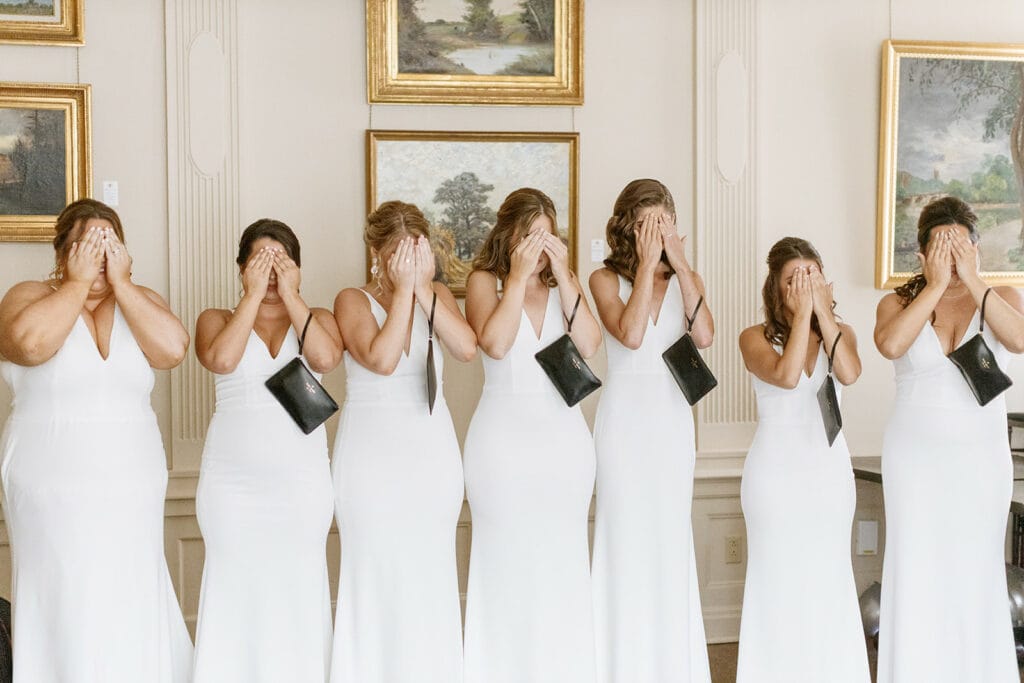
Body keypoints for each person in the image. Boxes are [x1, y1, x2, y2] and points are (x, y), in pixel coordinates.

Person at [0, 198, 193, 682]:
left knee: (128, 588)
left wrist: (123, 285)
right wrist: (78, 282)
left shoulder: (138, 297)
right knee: (64, 592)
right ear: (63, 250)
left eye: (111, 244)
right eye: (89, 244)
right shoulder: (27, 293)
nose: (101, 255)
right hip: (50, 481)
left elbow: (172, 350)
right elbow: (28, 344)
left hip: (133, 479)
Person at [873, 196, 1024, 682]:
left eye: (962, 248)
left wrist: (974, 280)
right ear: (921, 254)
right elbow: (891, 345)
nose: (954, 260)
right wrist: (935, 285)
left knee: (975, 571)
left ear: (977, 248)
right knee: (918, 570)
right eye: (942, 250)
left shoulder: (1002, 296)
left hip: (981, 462)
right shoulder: (896, 302)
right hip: (914, 462)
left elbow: (1019, 341)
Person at [330, 200, 476, 683]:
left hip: (432, 455)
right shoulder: (352, 300)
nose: (407, 263)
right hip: (372, 461)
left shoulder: (436, 295)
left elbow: (467, 348)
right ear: (376, 252)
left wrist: (423, 290)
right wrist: (402, 294)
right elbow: (384, 357)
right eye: (397, 253)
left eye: (416, 251)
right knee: (377, 577)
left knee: (429, 576)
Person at [192, 219, 343, 682]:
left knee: (297, 590)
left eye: (282, 263)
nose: (272, 273)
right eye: (261, 262)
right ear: (242, 268)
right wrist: (254, 296)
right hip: (231, 487)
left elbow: (324, 360)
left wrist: (292, 296)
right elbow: (220, 359)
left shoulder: (316, 315)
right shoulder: (216, 318)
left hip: (301, 484)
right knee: (234, 590)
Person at [462, 187, 602, 683]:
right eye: (530, 235)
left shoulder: (565, 281)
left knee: (560, 563)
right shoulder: (485, 280)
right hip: (502, 447)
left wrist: (564, 275)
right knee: (507, 564)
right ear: (510, 234)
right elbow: (496, 344)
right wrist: (518, 279)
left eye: (548, 234)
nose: (539, 245)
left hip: (564, 443)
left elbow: (589, 344)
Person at [588, 178, 714, 683]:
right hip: (624, 423)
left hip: (671, 423)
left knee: (667, 538)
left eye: (666, 224)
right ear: (629, 228)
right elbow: (633, 334)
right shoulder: (604, 280)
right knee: (625, 537)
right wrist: (645, 267)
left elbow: (704, 335)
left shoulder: (688, 277)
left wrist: (680, 266)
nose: (658, 234)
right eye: (648, 226)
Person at [736, 237, 869, 683]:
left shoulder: (840, 333)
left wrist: (823, 315)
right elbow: (788, 376)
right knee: (778, 582)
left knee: (828, 578)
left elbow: (849, 373)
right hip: (774, 477)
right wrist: (801, 318)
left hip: (829, 473)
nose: (805, 284)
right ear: (776, 290)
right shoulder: (754, 337)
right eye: (794, 278)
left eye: (812, 274)